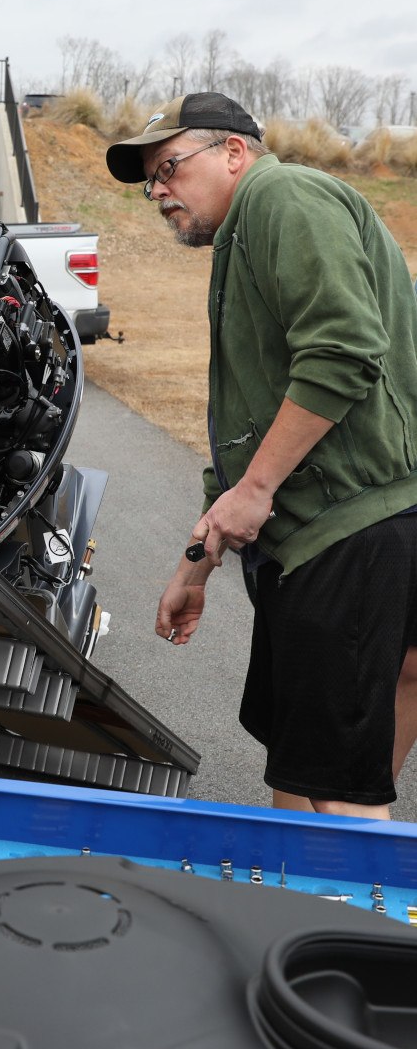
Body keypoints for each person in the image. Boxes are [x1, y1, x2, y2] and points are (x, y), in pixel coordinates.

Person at [106, 91, 417, 820]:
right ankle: (306, 883)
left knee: (333, 787)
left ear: (234, 153)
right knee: (320, 751)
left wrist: (258, 488)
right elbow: (245, 424)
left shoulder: (281, 195)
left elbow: (342, 351)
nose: (157, 192)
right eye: (150, 179)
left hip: (344, 529)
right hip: (360, 523)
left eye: (169, 168)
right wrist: (196, 561)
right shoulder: (242, 235)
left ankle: (339, 913)